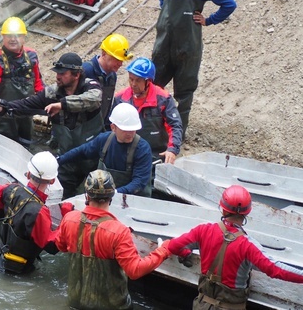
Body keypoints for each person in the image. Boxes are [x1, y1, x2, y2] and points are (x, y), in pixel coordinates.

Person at [168, 185, 303, 309]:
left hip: (202, 305)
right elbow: (276, 269)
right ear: (247, 212)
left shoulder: (203, 230)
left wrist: (185, 253)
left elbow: (174, 246)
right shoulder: (248, 246)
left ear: (223, 208)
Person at [153, 0, 237, 138]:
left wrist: (209, 20)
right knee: (153, 87)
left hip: (188, 47)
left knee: (184, 94)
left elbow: (229, 4)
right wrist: (165, 11)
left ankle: (176, 137)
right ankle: (152, 130)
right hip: (164, 44)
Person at [55, 170, 172, 309]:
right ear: (111, 196)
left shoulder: (69, 219)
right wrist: (163, 250)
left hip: (76, 303)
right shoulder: (118, 231)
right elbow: (134, 271)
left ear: (87, 195)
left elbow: (60, 246)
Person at [0, 52, 103, 199]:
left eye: (63, 73)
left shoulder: (91, 86)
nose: (57, 76)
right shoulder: (51, 93)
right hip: (67, 158)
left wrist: (63, 105)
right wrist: (5, 106)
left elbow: (95, 99)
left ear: (76, 75)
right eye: (57, 73)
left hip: (93, 158)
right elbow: (27, 104)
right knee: (64, 195)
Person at [0, 151, 74, 274]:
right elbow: (52, 245)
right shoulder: (39, 212)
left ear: (28, 174)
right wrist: (69, 219)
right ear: (52, 181)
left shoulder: (11, 189)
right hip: (18, 268)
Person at [56, 103, 153, 197]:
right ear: (113, 127)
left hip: (133, 200)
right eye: (125, 130)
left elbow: (139, 183)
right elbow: (82, 152)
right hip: (106, 197)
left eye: (133, 130)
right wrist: (58, 161)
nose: (130, 133)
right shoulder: (104, 140)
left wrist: (115, 193)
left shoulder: (142, 149)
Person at [0, 17, 44, 145]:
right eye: (9, 35)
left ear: (24, 37)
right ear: (3, 37)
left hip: (25, 115)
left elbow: (38, 83)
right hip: (2, 119)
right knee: (1, 150)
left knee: (25, 148)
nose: (13, 39)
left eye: (17, 35)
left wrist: (47, 101)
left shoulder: (32, 56)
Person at [114, 57, 182, 165]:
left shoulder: (163, 98)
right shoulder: (120, 98)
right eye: (131, 79)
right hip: (127, 151)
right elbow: (112, 127)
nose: (133, 84)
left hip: (155, 154)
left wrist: (172, 149)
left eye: (138, 80)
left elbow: (174, 125)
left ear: (148, 81)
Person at [82, 33, 133, 129]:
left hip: (97, 129)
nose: (120, 64)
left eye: (122, 60)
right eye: (117, 59)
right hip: (81, 131)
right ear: (104, 54)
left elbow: (106, 106)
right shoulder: (86, 71)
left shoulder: (112, 76)